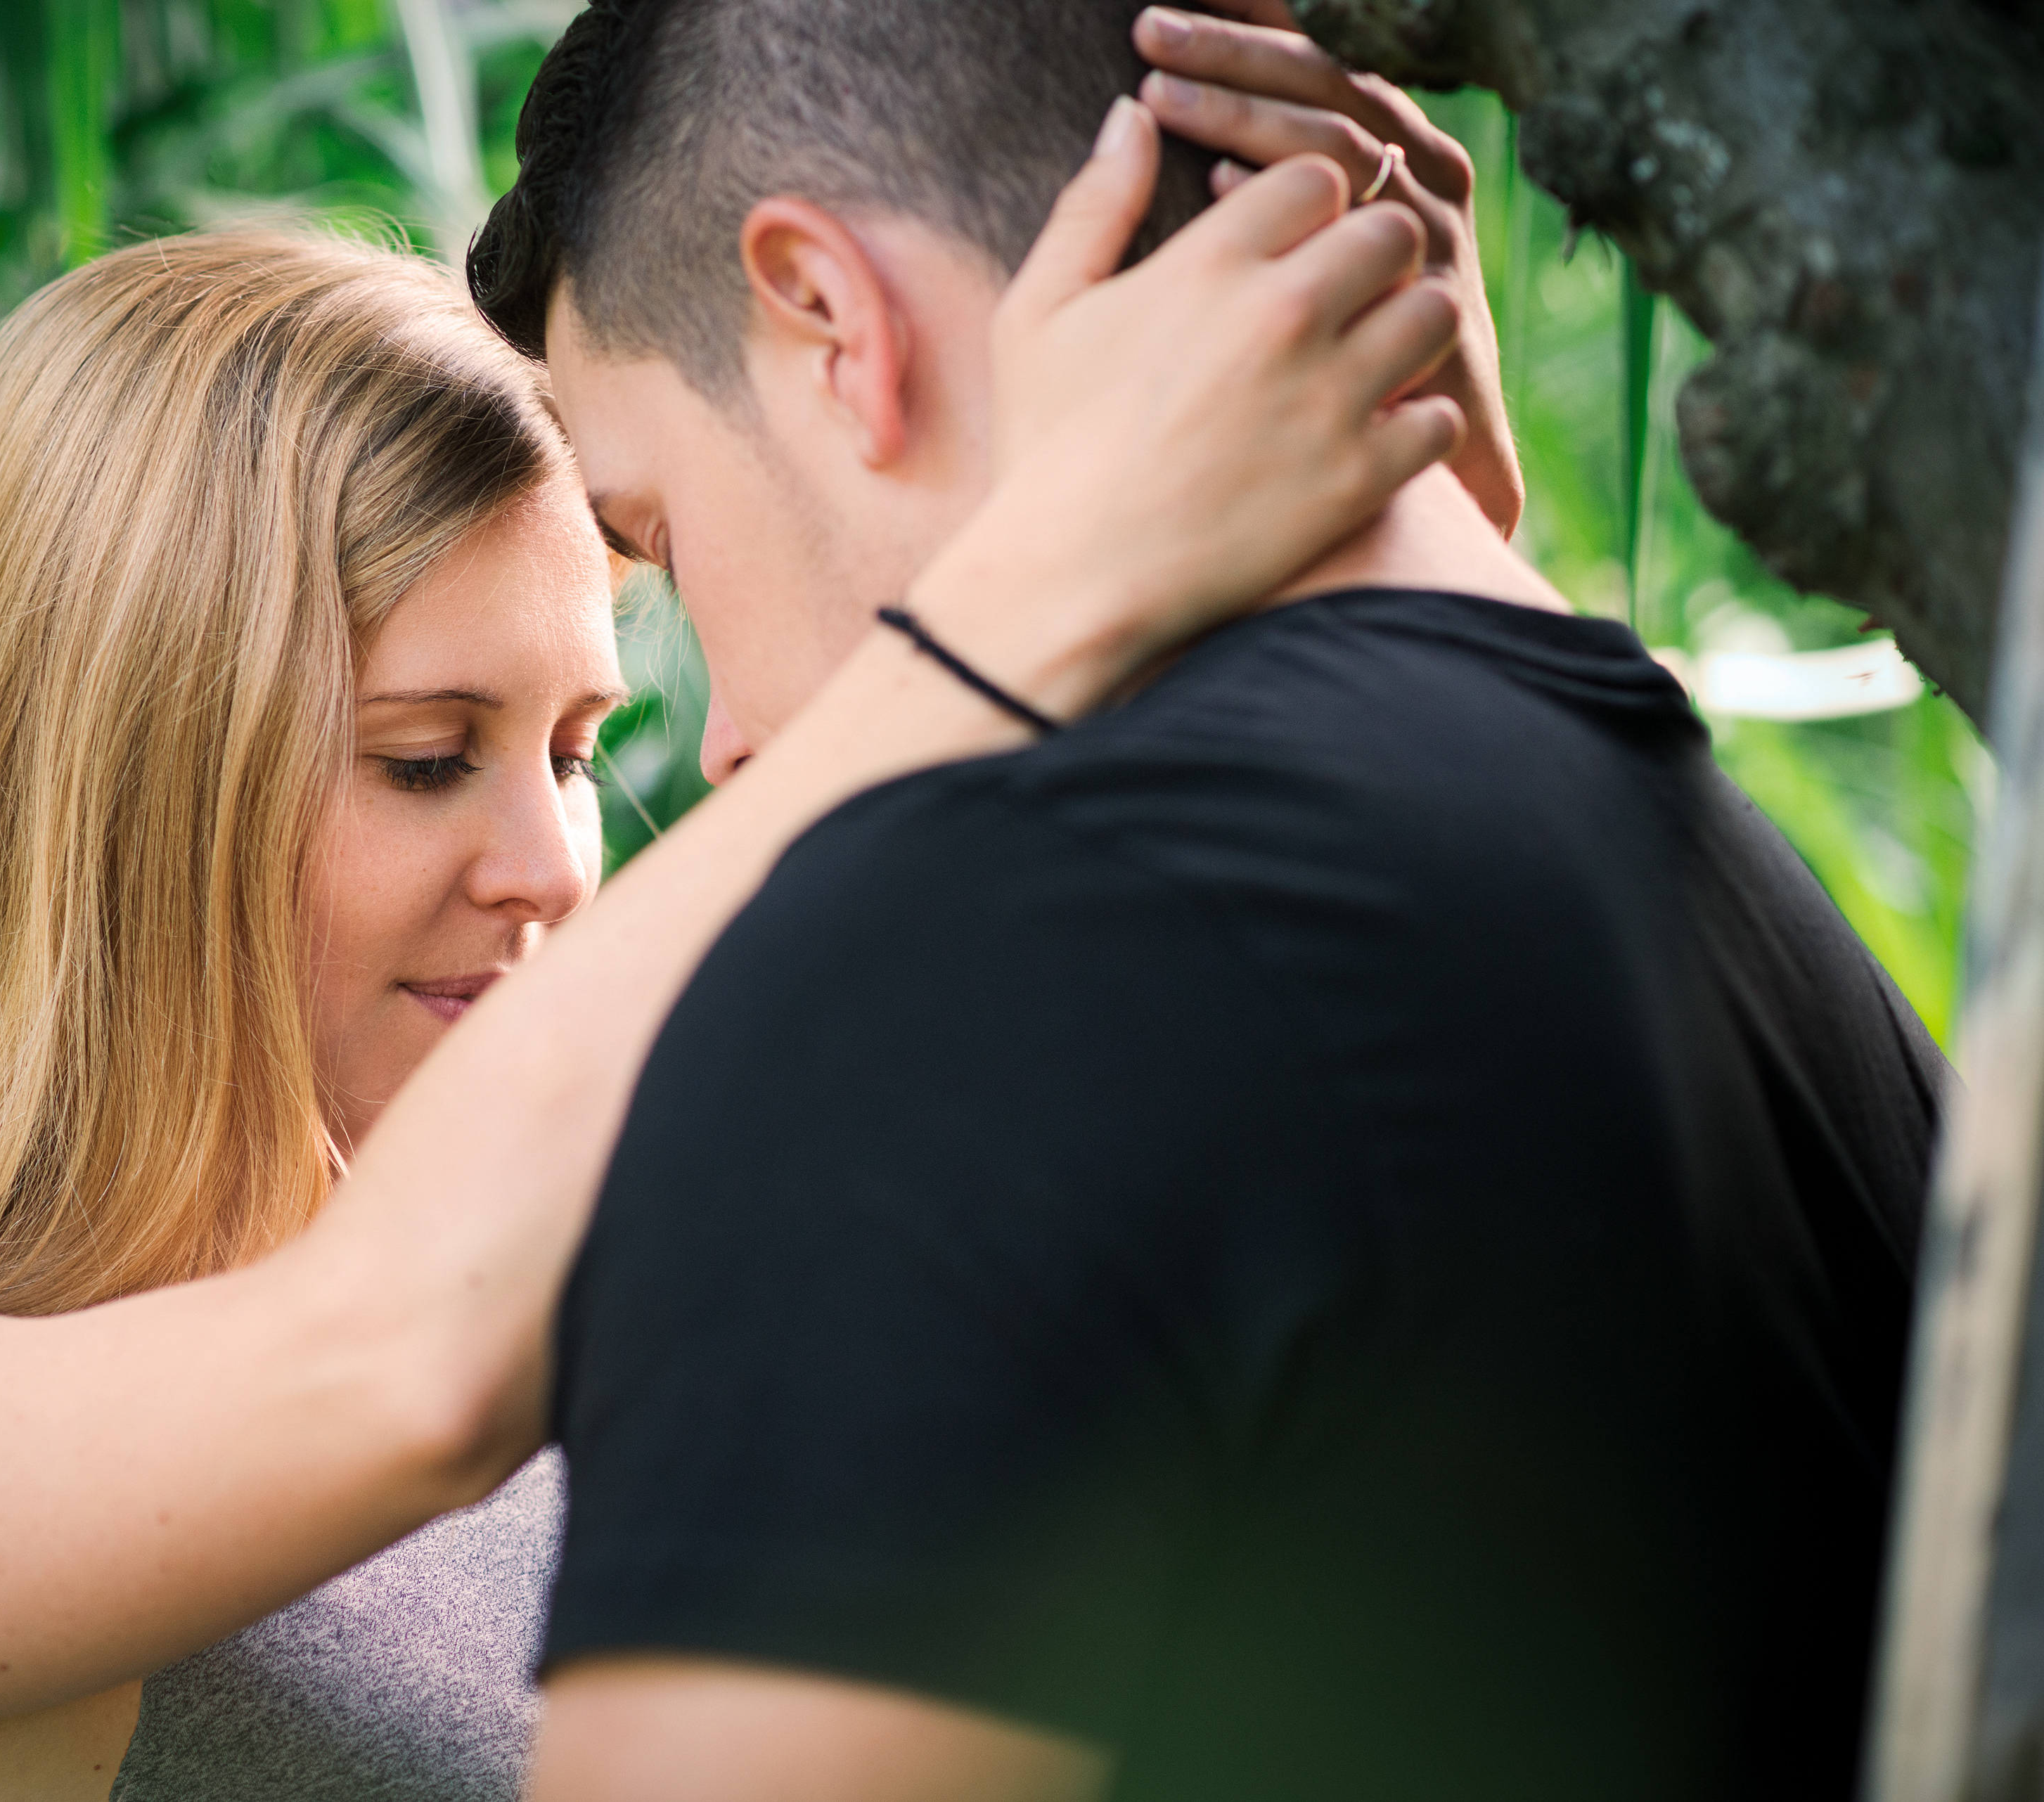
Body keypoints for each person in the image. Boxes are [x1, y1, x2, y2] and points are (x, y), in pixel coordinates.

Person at [0, 84, 1468, 1802]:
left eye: (575, 750)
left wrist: (1404, 545)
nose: (554, 862)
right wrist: (1053, 576)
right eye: (424, 757)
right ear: (124, 786)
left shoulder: (652, 1287)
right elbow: (403, 1364)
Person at [461, 4, 1948, 1800]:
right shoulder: (1762, 921)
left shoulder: (974, 964)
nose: (728, 745)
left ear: (831, 321)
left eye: (670, 539)